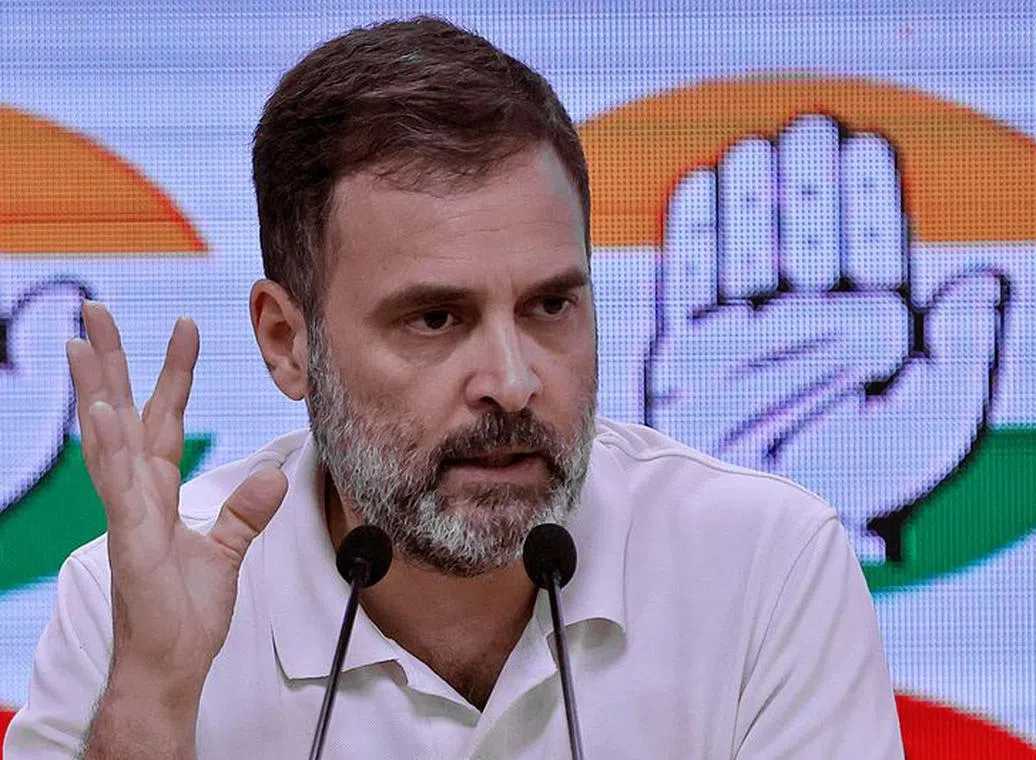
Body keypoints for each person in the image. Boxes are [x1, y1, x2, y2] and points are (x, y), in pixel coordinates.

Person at [5, 16, 903, 759]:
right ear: (287, 343)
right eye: (435, 319)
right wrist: (155, 699)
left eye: (551, 305)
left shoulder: (764, 566)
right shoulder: (135, 604)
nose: (513, 383)